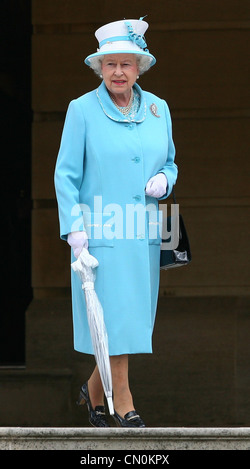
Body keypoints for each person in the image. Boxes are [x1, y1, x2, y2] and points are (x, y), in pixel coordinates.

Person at [54, 17, 178, 427]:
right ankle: (121, 401)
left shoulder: (159, 109)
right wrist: (73, 227)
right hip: (99, 234)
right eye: (110, 65)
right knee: (111, 318)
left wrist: (166, 179)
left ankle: (92, 392)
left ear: (140, 67)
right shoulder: (82, 110)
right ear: (99, 68)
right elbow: (66, 174)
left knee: (129, 317)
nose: (119, 72)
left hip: (142, 229)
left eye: (127, 64)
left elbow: (171, 162)